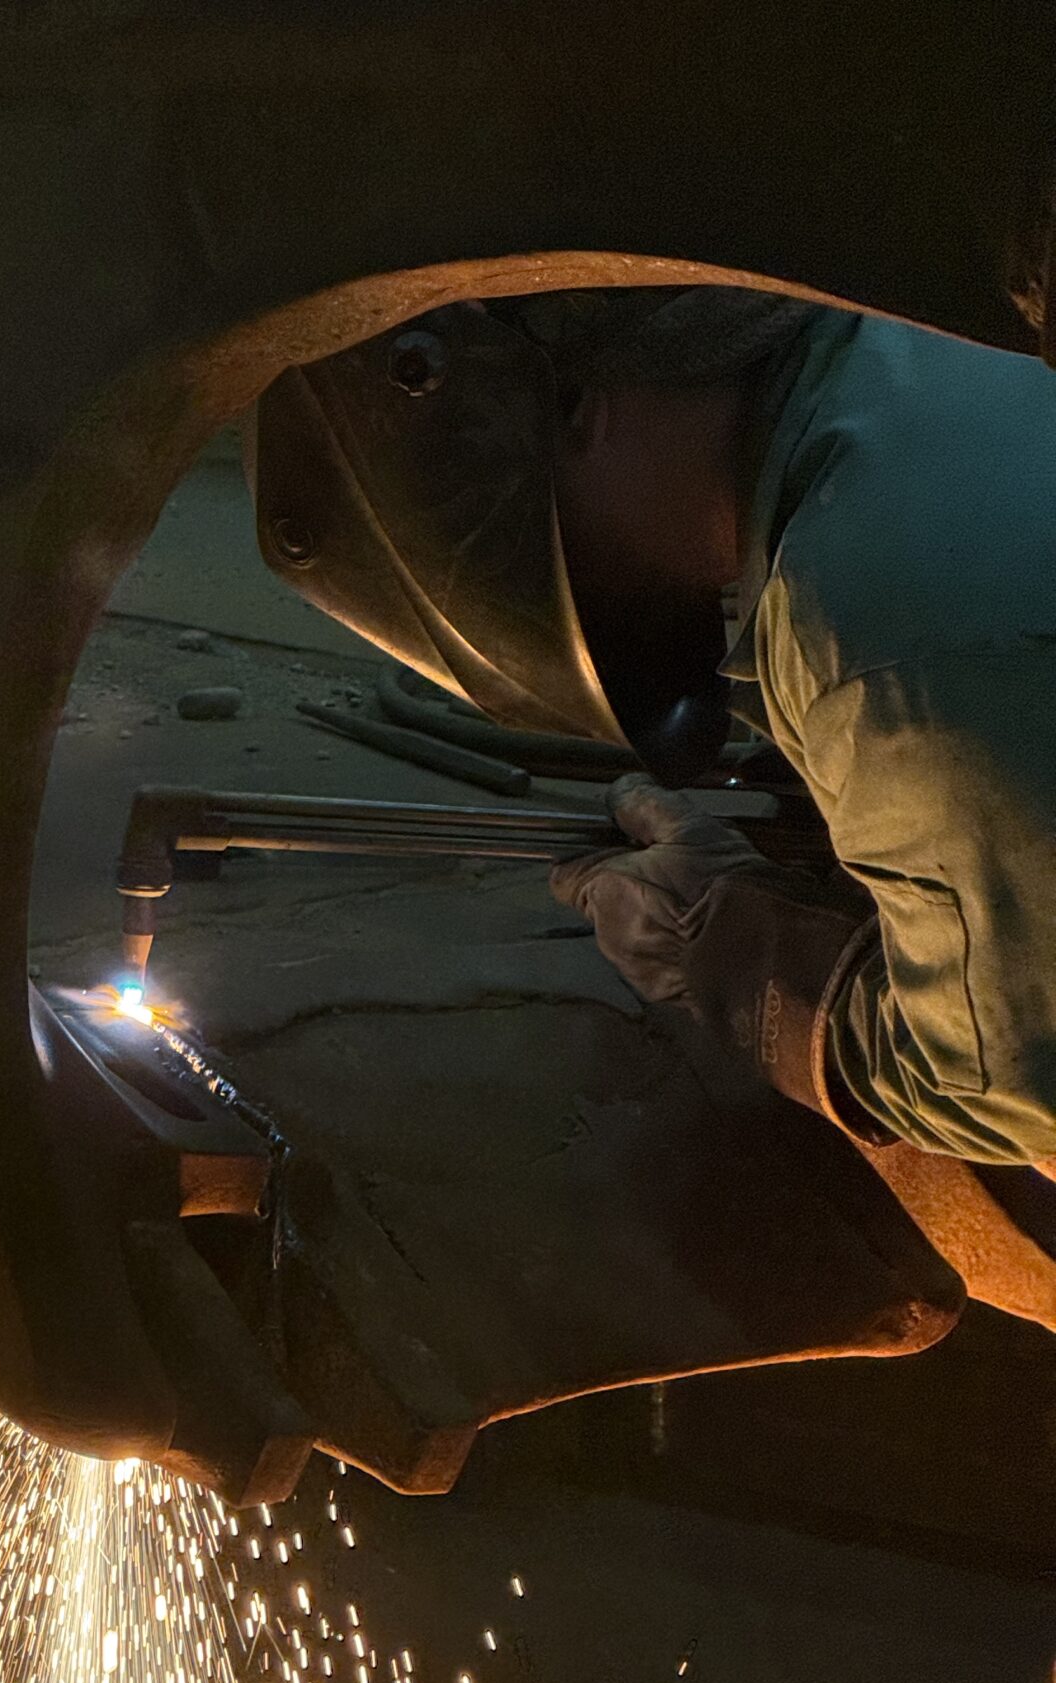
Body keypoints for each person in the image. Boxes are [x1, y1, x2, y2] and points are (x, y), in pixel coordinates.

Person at [251, 287, 1056, 1166]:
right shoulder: (915, 344)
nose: (600, 600)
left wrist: (721, 951)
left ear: (584, 414)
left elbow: (1011, 1091)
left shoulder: (879, 641)